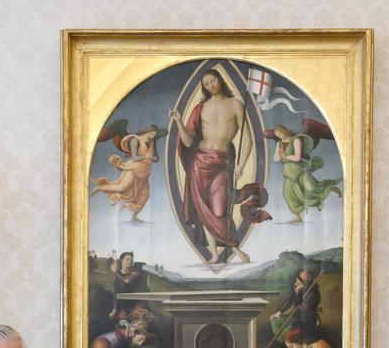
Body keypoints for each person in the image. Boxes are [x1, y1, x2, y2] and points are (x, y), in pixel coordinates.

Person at [170, 69, 252, 265]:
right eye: (206, 84)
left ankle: (236, 249)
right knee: (203, 210)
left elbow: (248, 139)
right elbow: (189, 142)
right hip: (199, 162)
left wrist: (241, 164)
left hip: (222, 163)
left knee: (219, 209)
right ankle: (215, 254)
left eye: (213, 81)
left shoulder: (236, 105)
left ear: (220, 80)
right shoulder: (200, 108)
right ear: (204, 87)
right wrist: (179, 122)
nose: (211, 85)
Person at [90, 125, 161, 222]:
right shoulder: (135, 140)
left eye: (154, 135)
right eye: (152, 134)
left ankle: (134, 217)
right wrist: (145, 156)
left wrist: (153, 157)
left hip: (144, 172)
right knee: (121, 187)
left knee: (145, 195)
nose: (152, 136)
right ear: (148, 131)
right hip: (134, 168)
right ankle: (99, 188)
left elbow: (155, 157)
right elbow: (135, 157)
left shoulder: (151, 143)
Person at [272, 125, 341, 222]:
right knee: (287, 195)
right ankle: (298, 217)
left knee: (312, 188)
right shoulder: (279, 143)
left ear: (285, 130)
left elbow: (297, 158)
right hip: (289, 174)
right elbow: (276, 159)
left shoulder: (296, 140)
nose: (280, 135)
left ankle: (332, 188)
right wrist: (279, 155)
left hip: (300, 171)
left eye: (280, 132)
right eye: (277, 135)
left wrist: (285, 156)